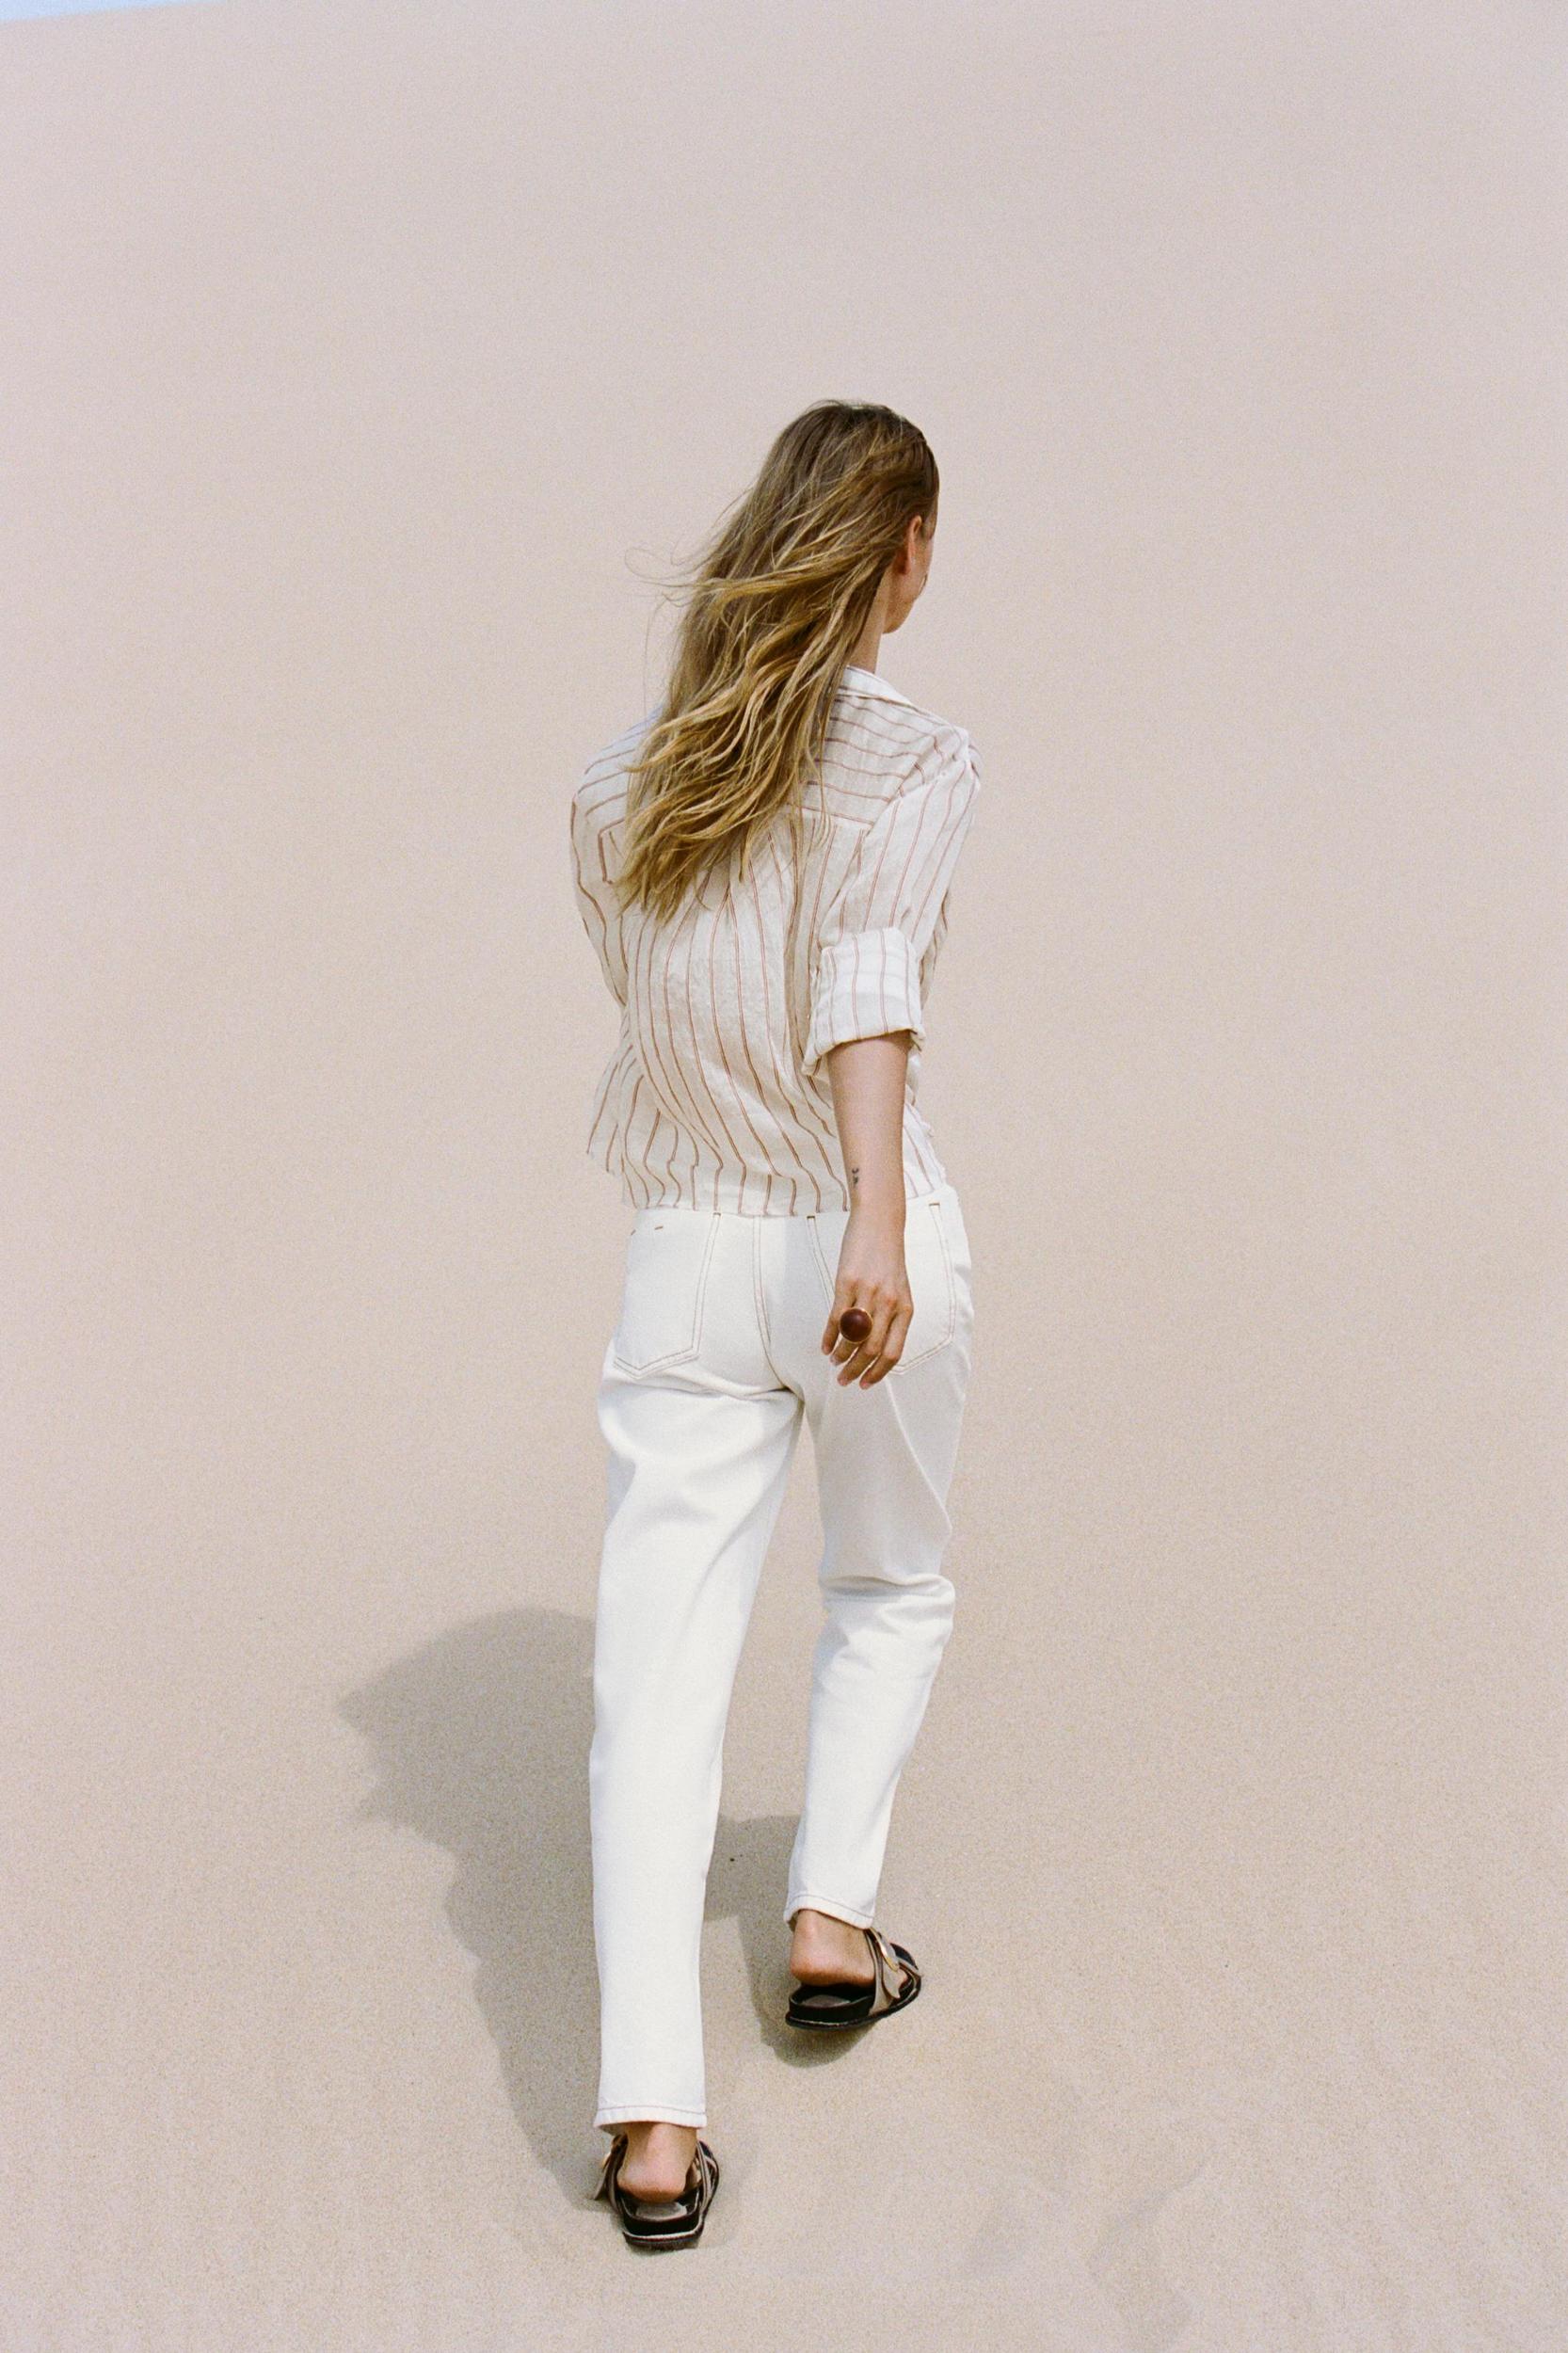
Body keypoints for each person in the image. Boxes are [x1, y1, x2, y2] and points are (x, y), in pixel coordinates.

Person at [568, 399, 982, 2249]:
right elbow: (864, 987)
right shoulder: (913, 759)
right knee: (884, 1579)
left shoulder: (623, 784)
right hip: (851, 1231)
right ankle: (828, 1919)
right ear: (903, 556)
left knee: (651, 1689)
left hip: (681, 1246)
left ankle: (652, 2127)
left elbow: (649, 1006)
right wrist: (870, 1218)